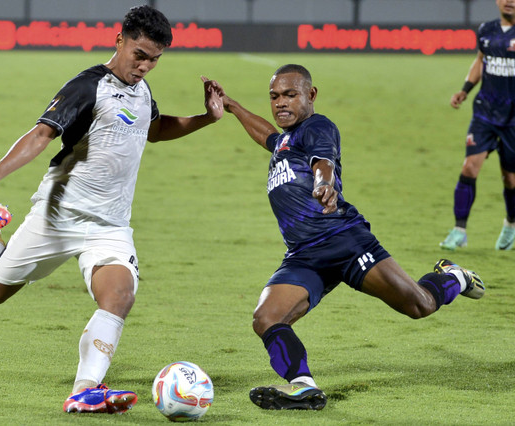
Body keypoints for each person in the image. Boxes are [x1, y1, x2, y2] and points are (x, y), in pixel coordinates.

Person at [0, 5, 223, 414]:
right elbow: (42, 133)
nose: (146, 66)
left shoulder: (142, 90)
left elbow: (152, 129)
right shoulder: (88, 85)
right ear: (119, 41)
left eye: (155, 59)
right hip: (59, 214)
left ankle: (85, 389)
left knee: (119, 295)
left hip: (110, 225)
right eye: (140, 55)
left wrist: (206, 118)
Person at [203, 65, 485, 411]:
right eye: (274, 96)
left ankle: (454, 277)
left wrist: (323, 183)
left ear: (311, 94)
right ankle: (303, 386)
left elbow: (324, 160)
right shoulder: (285, 141)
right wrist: (230, 105)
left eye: (290, 94)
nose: (280, 103)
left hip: (345, 241)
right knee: (266, 318)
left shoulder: (317, 127)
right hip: (303, 256)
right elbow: (266, 135)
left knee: (420, 305)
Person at [440, 0, 515, 251]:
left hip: (513, 119)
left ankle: (510, 223)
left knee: (510, 179)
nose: (509, 1)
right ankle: (459, 230)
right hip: (484, 114)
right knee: (470, 167)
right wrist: (465, 90)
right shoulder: (486, 30)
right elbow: (480, 61)